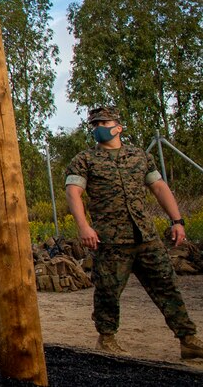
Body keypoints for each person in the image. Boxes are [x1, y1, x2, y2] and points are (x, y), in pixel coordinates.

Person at [65, 106, 203, 359]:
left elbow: (159, 187)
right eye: (94, 125)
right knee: (107, 291)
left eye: (103, 123)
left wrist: (177, 220)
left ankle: (188, 340)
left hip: (145, 236)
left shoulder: (139, 157)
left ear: (118, 126)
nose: (98, 129)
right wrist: (84, 226)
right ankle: (106, 339)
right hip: (110, 239)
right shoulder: (85, 160)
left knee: (167, 287)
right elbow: (74, 192)